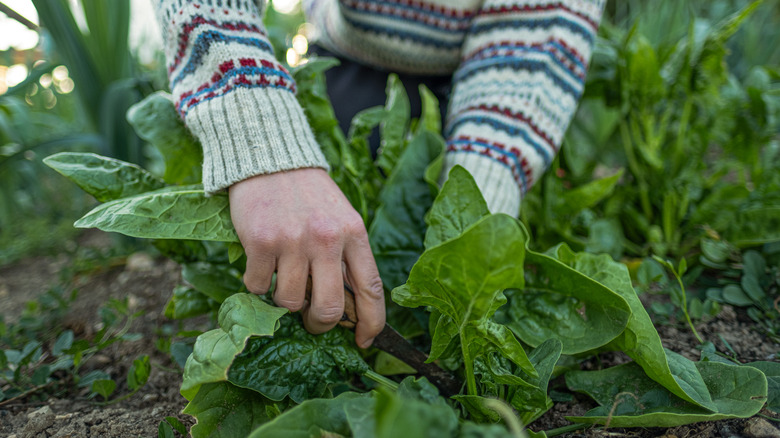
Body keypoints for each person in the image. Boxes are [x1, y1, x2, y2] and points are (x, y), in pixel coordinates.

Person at [152, 0, 605, 349]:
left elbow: (535, 47)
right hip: (350, 58)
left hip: (484, 78)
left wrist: (471, 243)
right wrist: (264, 144)